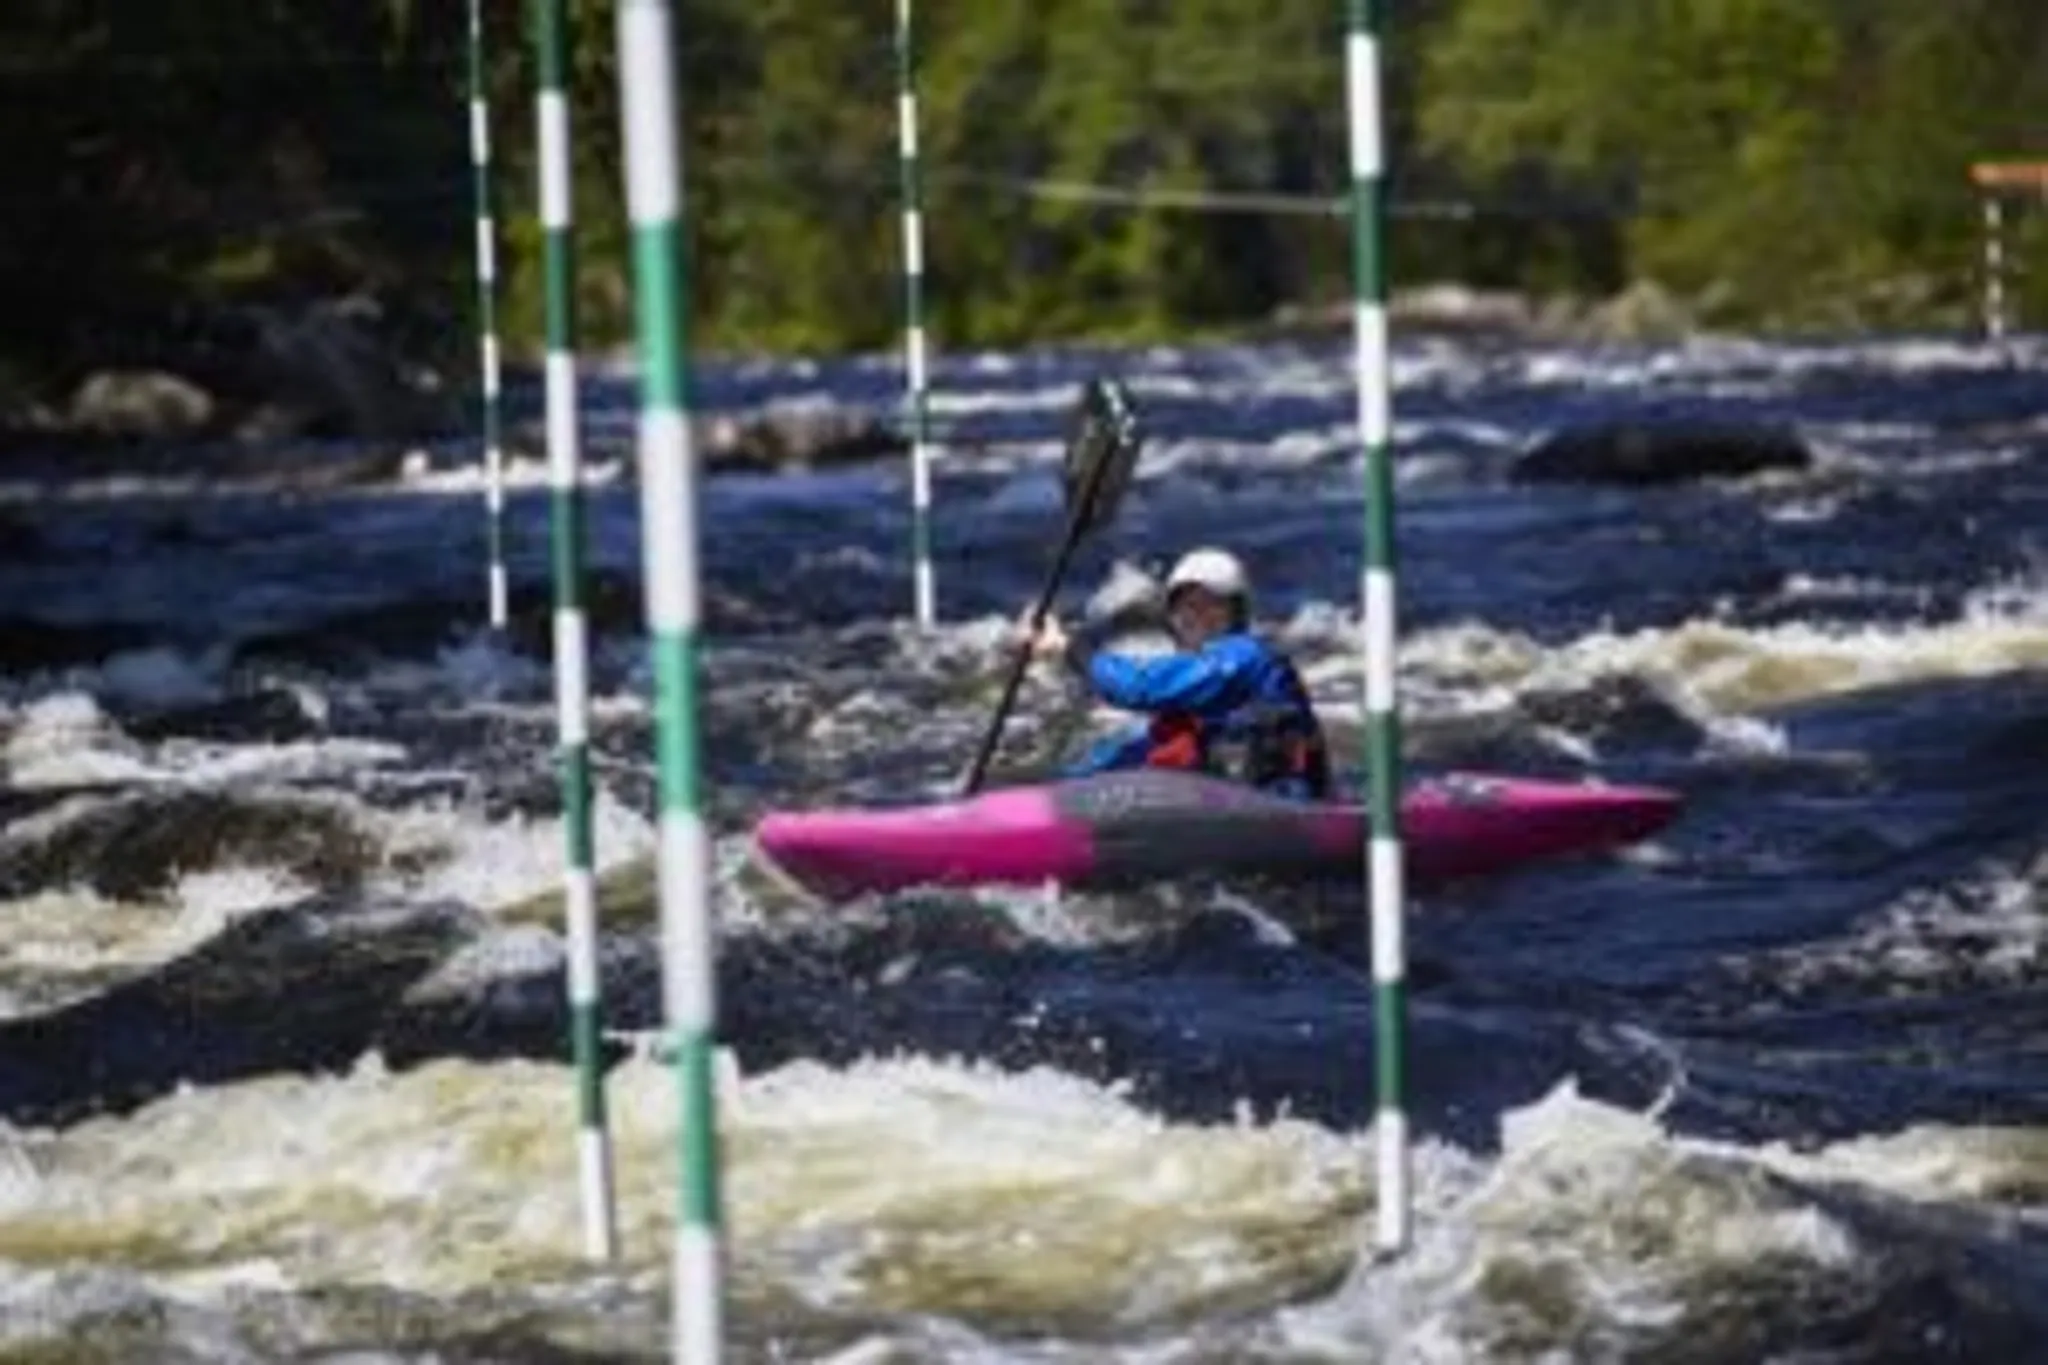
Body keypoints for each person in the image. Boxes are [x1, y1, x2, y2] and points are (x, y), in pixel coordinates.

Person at [1020, 547, 1334, 801]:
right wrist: (1050, 794)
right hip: (1223, 810)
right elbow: (1124, 758)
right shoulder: (1191, 694)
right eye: (1187, 607)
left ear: (1237, 613)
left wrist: (1069, 648)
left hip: (1285, 805)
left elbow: (1138, 688)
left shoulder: (1249, 657)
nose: (1198, 617)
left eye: (1213, 605)